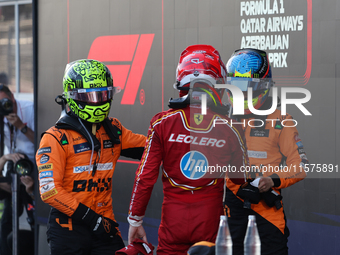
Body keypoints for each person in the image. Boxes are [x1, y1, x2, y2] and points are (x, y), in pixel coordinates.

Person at [127, 45, 248, 255]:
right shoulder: (230, 128)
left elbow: (144, 177)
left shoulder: (161, 123)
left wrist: (135, 219)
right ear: (217, 82)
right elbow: (241, 178)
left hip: (173, 222)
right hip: (209, 221)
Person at [35, 59, 147, 255]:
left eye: (103, 95)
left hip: (104, 226)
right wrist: (91, 218)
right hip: (68, 229)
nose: (97, 101)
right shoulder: (55, 137)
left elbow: (152, 148)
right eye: (90, 96)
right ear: (72, 96)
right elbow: (50, 191)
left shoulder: (114, 130)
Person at [224, 48, 308, 255]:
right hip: (230, 211)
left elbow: (300, 166)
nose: (241, 94)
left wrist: (272, 180)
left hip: (267, 212)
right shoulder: (220, 120)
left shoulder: (281, 120)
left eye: (248, 88)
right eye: (236, 87)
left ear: (263, 87)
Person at [0, 81, 35, 255]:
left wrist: (21, 126)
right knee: (7, 218)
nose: (4, 107)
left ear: (13, 98)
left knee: (34, 215)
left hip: (35, 166)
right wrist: (5, 158)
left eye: (5, 102)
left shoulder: (30, 108)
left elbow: (44, 143)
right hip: (14, 168)